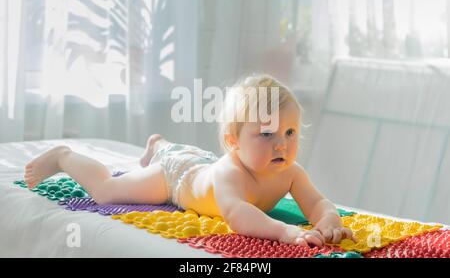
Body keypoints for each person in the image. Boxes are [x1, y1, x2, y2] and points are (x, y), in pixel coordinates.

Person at [24, 74, 355, 247]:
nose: (281, 144)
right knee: (107, 191)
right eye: (267, 135)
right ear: (233, 143)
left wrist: (329, 222)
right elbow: (239, 215)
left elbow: (318, 203)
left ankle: (159, 144)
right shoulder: (231, 173)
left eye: (290, 132)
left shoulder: (291, 172)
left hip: (199, 161)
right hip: (177, 178)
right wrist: (284, 232)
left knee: (178, 153)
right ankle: (64, 156)